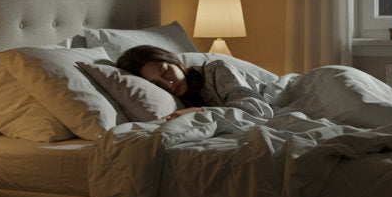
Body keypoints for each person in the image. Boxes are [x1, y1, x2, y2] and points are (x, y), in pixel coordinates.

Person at [116, 45, 274, 121]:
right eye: (157, 85)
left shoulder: (216, 71)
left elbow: (257, 111)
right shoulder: (174, 103)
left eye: (165, 71)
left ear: (174, 62)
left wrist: (197, 111)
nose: (168, 83)